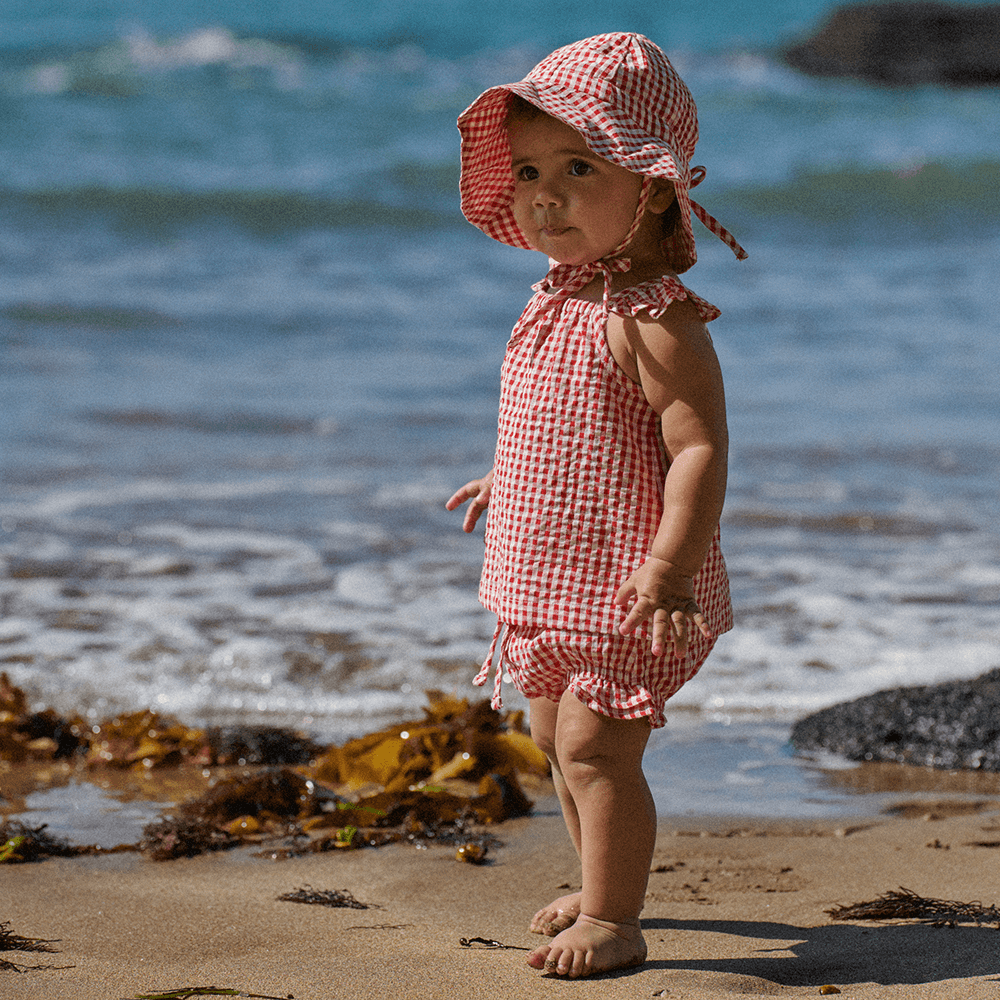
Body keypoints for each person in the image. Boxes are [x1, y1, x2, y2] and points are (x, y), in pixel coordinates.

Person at [446, 32, 746, 978]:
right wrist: (511, 475)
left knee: (595, 748)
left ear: (653, 185)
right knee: (550, 736)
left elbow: (698, 446)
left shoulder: (653, 318)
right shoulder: (555, 299)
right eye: (529, 169)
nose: (544, 191)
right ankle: (596, 875)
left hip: (631, 584)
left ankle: (615, 919)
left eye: (579, 166)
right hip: (548, 577)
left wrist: (670, 568)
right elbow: (560, 418)